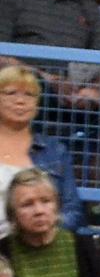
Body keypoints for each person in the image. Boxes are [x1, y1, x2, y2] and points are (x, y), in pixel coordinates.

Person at [0, 65, 87, 234]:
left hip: (39, 242)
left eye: (29, 94)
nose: (20, 101)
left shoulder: (55, 151)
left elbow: (73, 212)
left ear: (37, 105)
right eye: (11, 93)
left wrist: (42, 233)